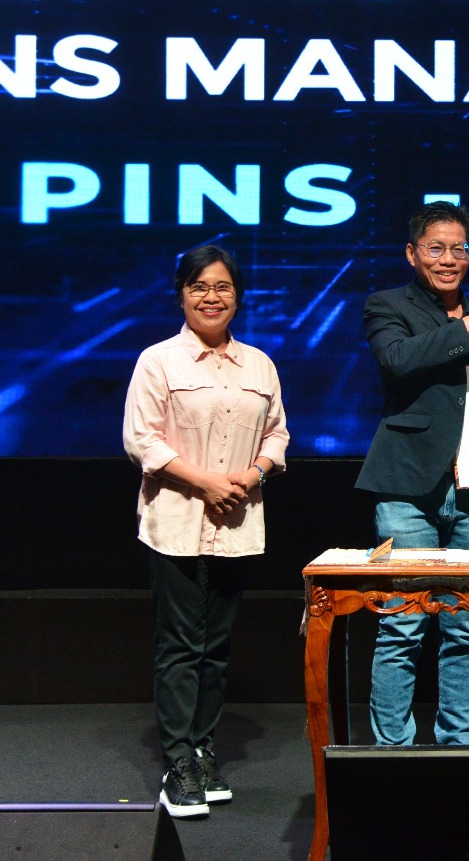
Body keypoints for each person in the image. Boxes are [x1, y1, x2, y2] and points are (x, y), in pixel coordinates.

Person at [123, 245, 289, 819]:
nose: (211, 297)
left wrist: (252, 474)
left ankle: (202, 750)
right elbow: (142, 440)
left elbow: (277, 435)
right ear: (181, 295)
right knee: (180, 645)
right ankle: (177, 764)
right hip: (175, 520)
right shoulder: (158, 361)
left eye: (222, 287)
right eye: (199, 286)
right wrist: (206, 483)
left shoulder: (260, 365)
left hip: (237, 521)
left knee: (216, 647)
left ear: (237, 297)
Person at [355, 201, 469, 746]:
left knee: (467, 626)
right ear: (412, 253)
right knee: (401, 625)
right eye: (436, 248)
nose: (449, 260)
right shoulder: (387, 305)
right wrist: (467, 328)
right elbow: (396, 360)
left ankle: (458, 745)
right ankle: (392, 752)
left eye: (459, 249)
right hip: (406, 485)